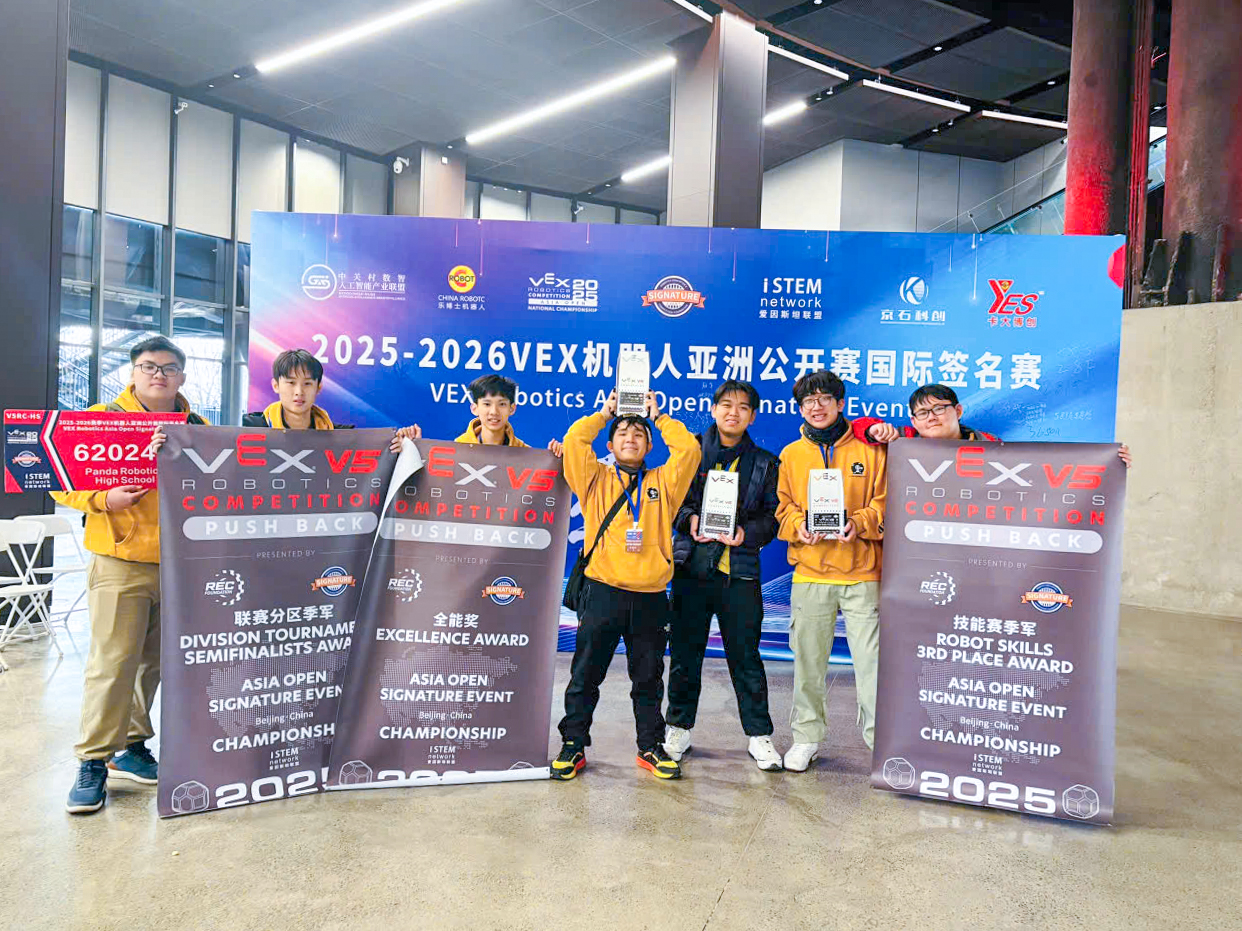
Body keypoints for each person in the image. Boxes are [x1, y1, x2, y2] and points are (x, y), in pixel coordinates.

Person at [54, 336, 208, 814]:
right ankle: (93, 759)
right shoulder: (102, 419)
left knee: (153, 663)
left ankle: (132, 748)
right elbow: (62, 481)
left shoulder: (198, 428)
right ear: (133, 372)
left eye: (168, 368)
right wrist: (103, 500)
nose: (158, 374)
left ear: (182, 376)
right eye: (148, 366)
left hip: (179, 565)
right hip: (120, 562)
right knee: (113, 662)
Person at [551, 389, 700, 781]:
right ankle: (573, 744)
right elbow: (574, 441)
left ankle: (650, 746)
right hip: (602, 591)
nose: (630, 438)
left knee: (648, 679)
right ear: (610, 444)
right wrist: (605, 413)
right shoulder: (594, 478)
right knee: (585, 674)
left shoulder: (664, 483)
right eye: (622, 433)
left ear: (649, 444)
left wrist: (659, 417)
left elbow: (688, 450)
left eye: (638, 433)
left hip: (650, 597)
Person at [665, 380, 782, 771]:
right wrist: (690, 520)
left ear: (753, 416)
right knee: (685, 655)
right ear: (713, 409)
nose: (734, 413)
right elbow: (670, 501)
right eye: (726, 405)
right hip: (692, 570)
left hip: (740, 574)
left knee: (746, 657)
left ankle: (759, 735)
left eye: (743, 407)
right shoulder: (689, 453)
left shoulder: (765, 463)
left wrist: (747, 533)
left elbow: (773, 517)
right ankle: (678, 727)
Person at [775, 369, 886, 772]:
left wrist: (858, 523)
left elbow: (884, 504)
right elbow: (783, 508)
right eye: (808, 401)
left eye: (824, 399)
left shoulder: (871, 450)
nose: (816, 407)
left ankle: (880, 742)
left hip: (862, 574)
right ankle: (806, 737)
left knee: (872, 666)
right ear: (800, 409)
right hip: (811, 573)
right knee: (808, 664)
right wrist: (798, 526)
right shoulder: (791, 454)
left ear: (840, 404)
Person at [854, 383, 1132, 466]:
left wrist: (1108, 462)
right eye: (923, 413)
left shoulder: (990, 443)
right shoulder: (900, 440)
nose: (932, 417)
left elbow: (1039, 467)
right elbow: (854, 428)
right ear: (914, 421)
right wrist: (872, 430)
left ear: (958, 411)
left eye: (939, 408)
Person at [236, 348, 420, 452]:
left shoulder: (342, 437)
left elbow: (378, 456)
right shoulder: (249, 428)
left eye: (307, 384)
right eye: (291, 383)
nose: (298, 392)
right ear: (276, 386)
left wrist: (404, 445)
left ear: (318, 388)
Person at [457, 373, 564, 457]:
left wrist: (553, 458)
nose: (494, 412)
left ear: (512, 409)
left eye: (502, 404)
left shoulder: (526, 454)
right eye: (487, 404)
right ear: (474, 409)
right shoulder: (457, 449)